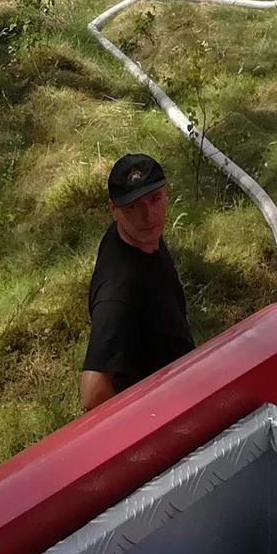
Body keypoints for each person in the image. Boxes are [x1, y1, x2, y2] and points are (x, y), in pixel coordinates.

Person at [79, 154, 194, 412]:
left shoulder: (140, 237)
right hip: (163, 408)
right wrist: (147, 421)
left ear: (166, 194)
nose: (148, 215)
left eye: (155, 199)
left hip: (180, 379)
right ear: (114, 210)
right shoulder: (118, 291)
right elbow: (93, 392)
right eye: (132, 207)